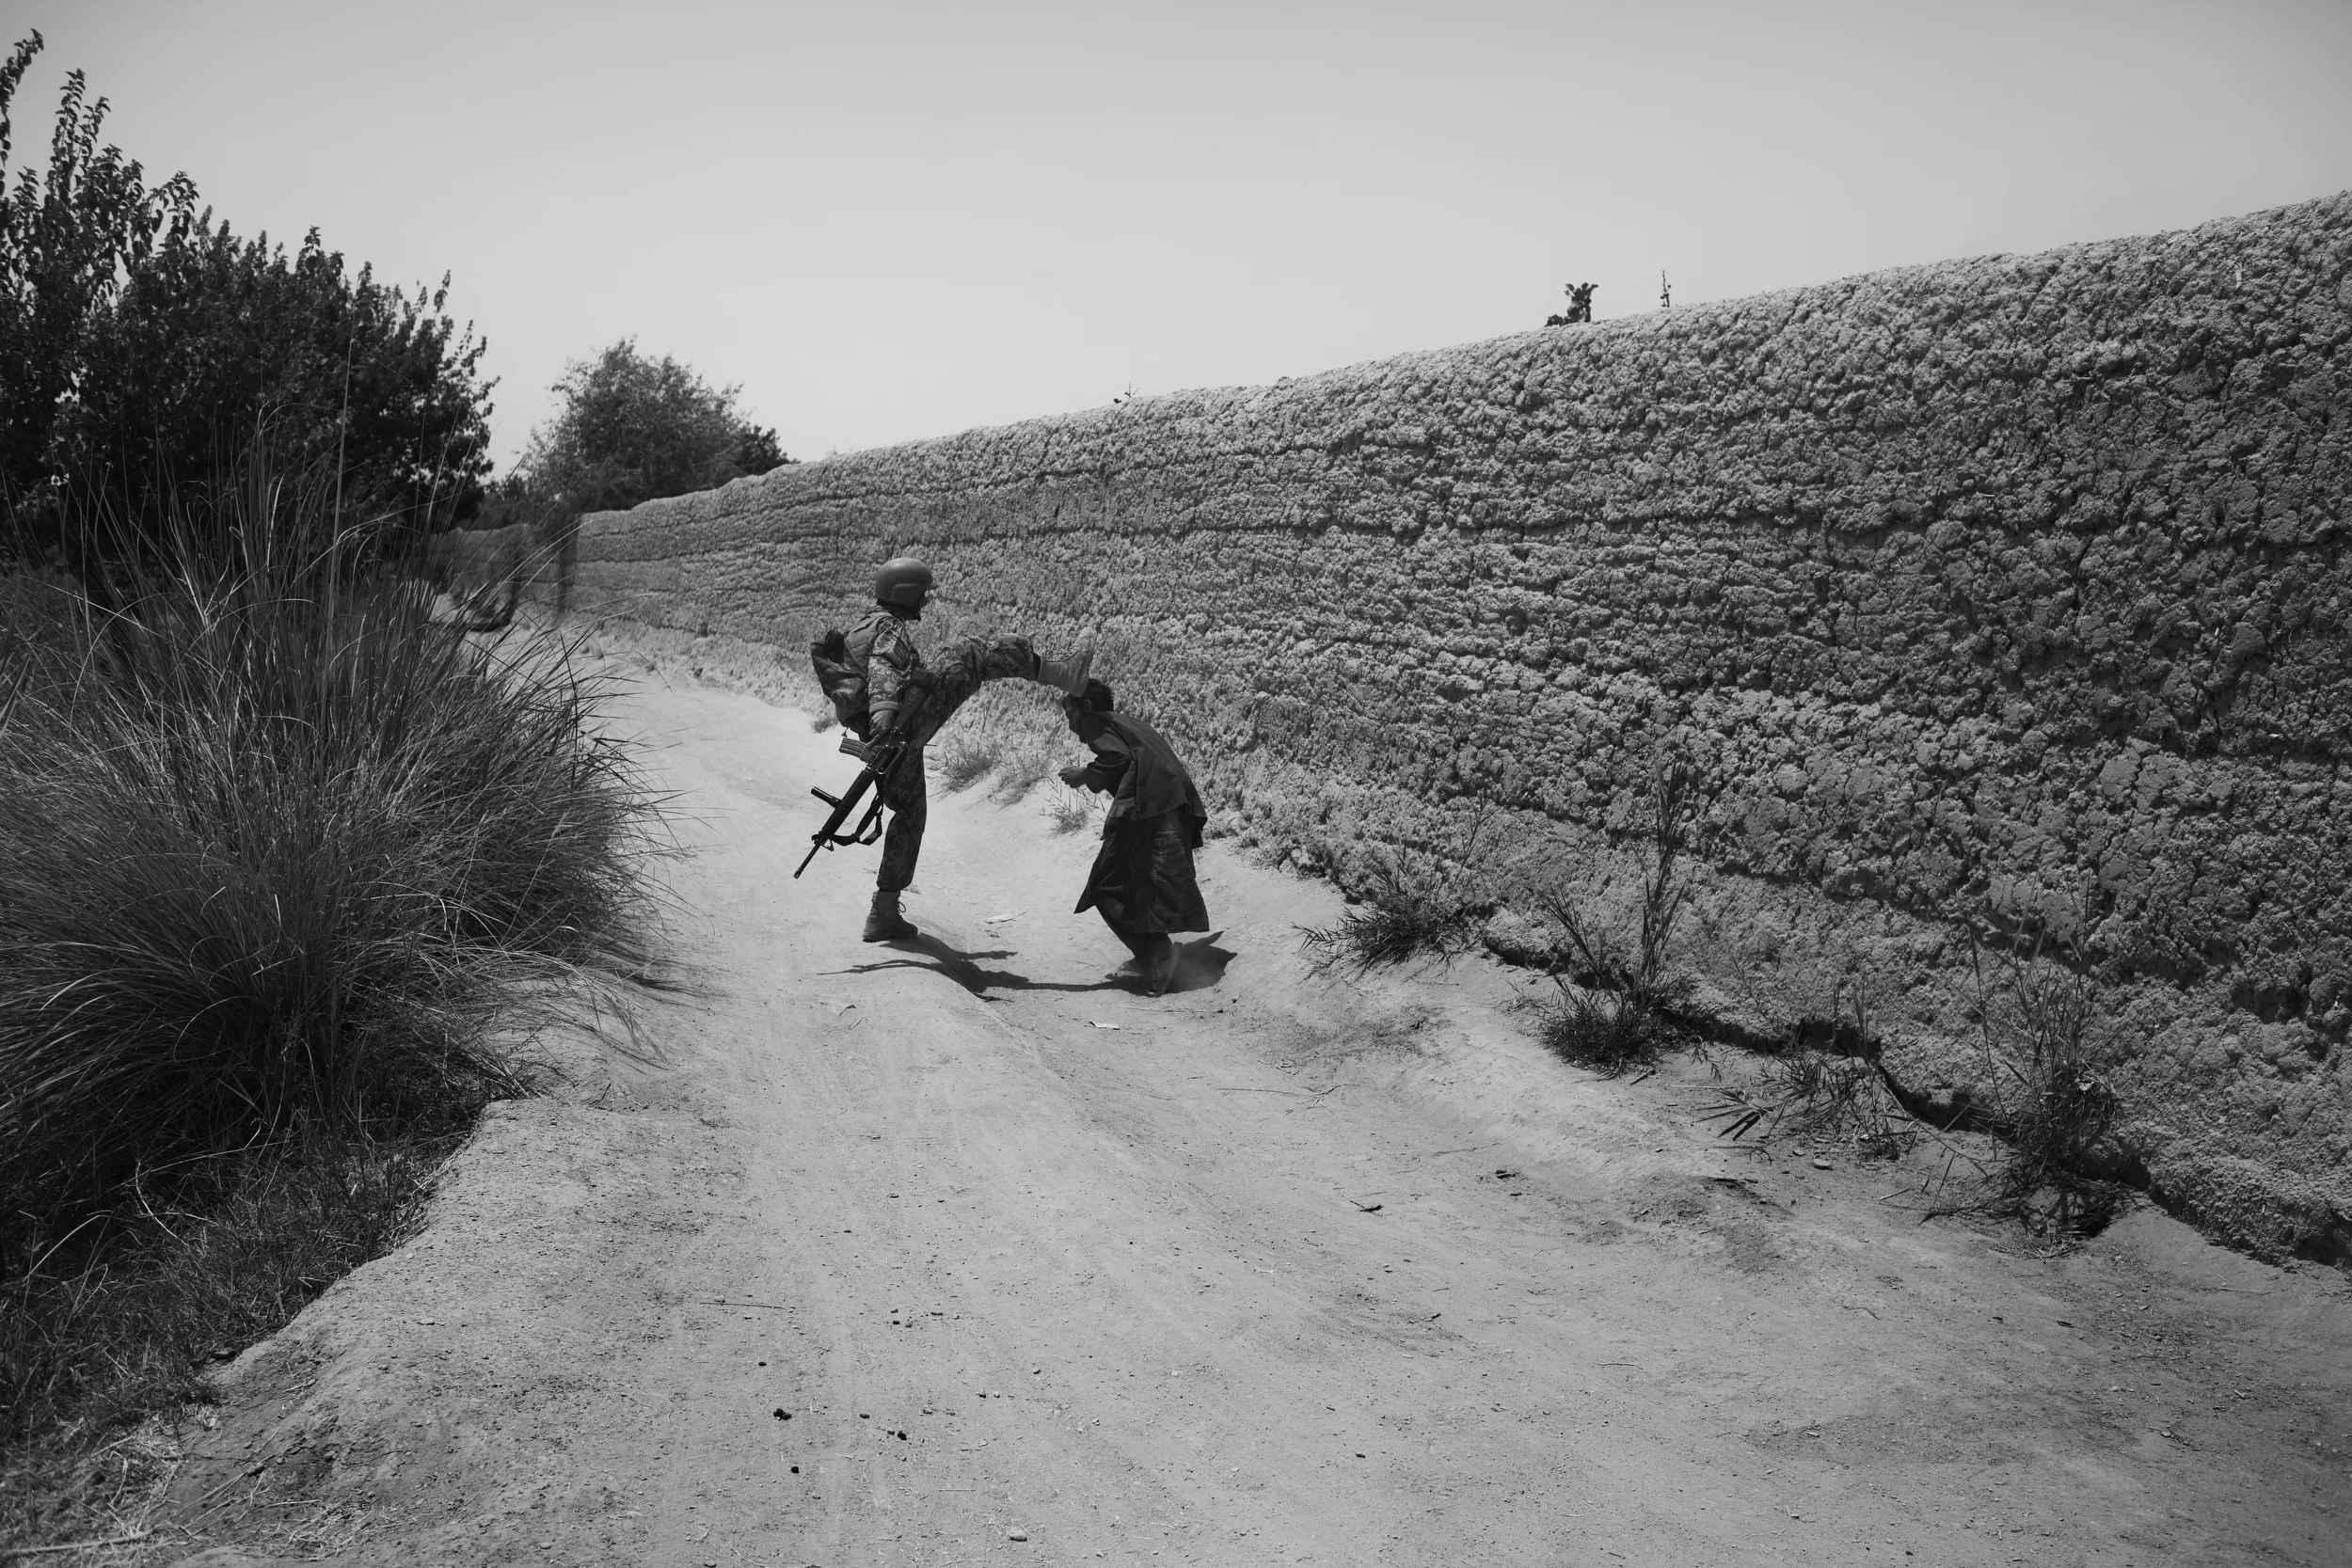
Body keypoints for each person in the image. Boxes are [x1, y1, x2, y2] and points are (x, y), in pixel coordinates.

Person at [822, 556, 1093, 942]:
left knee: (910, 813)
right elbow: (883, 666)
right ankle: (1064, 673)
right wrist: (884, 712)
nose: (925, 601)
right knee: (971, 652)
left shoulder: (863, 625)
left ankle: (883, 913)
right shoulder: (887, 627)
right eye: (922, 594)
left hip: (885, 738)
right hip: (898, 726)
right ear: (906, 594)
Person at [1057, 679, 1210, 996]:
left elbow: (1119, 759)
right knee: (1121, 880)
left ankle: (1159, 955)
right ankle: (1150, 956)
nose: (1072, 726)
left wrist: (1085, 774)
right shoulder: (1127, 723)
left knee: (1120, 883)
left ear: (1087, 707)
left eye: (1071, 715)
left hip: (1153, 805)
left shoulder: (1097, 721)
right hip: (1168, 803)